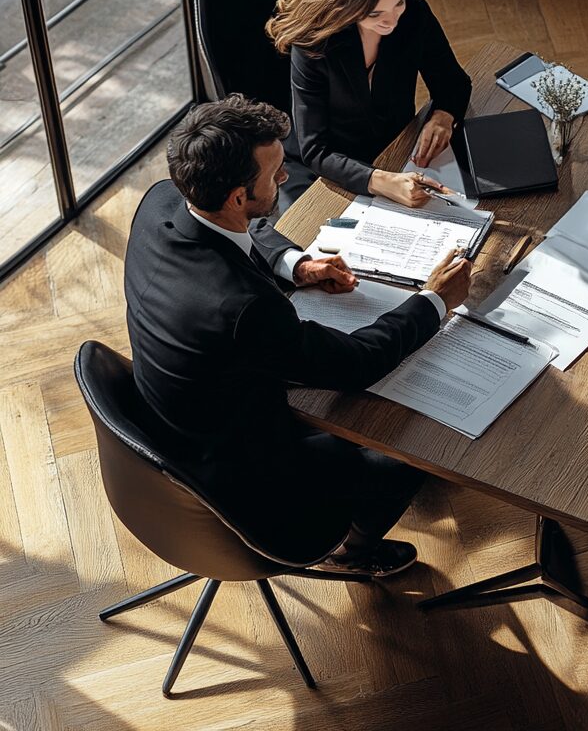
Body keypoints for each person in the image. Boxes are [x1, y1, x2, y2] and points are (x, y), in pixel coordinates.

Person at [123, 94, 473, 577]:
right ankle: (350, 554)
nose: (285, 177)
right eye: (273, 174)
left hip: (168, 428)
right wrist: (434, 300)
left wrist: (297, 264)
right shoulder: (244, 309)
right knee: (414, 452)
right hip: (237, 478)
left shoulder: (162, 201)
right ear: (237, 197)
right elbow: (356, 364)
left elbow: (248, 235)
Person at [266, 0, 472, 208]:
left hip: (396, 150)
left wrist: (443, 117)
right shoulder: (314, 45)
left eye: (398, 3)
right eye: (375, 14)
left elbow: (454, 83)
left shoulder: (413, 13)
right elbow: (316, 151)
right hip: (332, 170)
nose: (391, 21)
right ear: (346, 6)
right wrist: (381, 181)